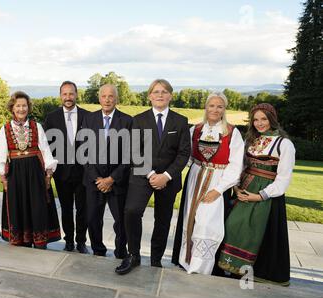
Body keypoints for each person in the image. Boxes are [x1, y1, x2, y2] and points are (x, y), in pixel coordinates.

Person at [115, 79, 191, 275]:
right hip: (142, 175)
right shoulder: (138, 120)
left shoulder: (180, 122)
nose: (159, 95)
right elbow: (133, 151)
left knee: (163, 218)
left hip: (168, 177)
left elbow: (183, 153)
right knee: (131, 211)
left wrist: (165, 175)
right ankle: (134, 255)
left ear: (170, 96)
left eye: (164, 91)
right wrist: (150, 174)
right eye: (155, 91)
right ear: (149, 96)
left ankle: (156, 260)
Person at [217, 103, 295, 286]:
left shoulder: (285, 144)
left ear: (272, 119)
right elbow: (240, 166)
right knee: (231, 226)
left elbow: (283, 179)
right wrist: (236, 187)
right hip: (243, 190)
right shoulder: (250, 140)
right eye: (256, 119)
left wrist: (259, 196)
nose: (260, 123)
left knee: (255, 233)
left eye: (264, 119)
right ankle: (230, 267)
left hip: (265, 197)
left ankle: (252, 272)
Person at [171, 92, 244, 275]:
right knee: (191, 218)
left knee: (207, 223)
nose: (215, 109)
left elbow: (236, 165)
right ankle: (186, 260)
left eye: (220, 106)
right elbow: (186, 157)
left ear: (224, 109)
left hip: (218, 181)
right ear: (206, 107)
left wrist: (218, 190)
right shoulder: (195, 130)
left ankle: (202, 266)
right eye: (211, 105)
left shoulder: (232, 132)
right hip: (195, 177)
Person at [0, 91, 61, 248]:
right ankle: (22, 240)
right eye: (18, 106)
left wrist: (48, 175)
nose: (21, 109)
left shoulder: (37, 127)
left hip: (36, 172)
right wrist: (3, 178)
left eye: (24, 105)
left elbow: (45, 150)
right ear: (12, 108)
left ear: (28, 108)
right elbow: (0, 154)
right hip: (15, 174)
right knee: (18, 206)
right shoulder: (5, 129)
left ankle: (39, 240)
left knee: (37, 206)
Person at [82, 84, 132, 258]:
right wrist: (98, 179)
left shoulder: (127, 121)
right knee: (93, 220)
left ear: (116, 99)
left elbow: (129, 155)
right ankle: (98, 250)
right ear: (99, 98)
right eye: (104, 96)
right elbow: (83, 151)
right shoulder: (89, 119)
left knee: (121, 222)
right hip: (93, 181)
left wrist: (111, 179)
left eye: (111, 96)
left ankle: (120, 252)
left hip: (117, 182)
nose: (107, 99)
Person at [43, 81, 90, 254]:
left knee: (83, 209)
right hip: (62, 173)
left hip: (84, 172)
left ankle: (81, 242)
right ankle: (69, 241)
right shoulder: (51, 117)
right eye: (65, 94)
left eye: (71, 94)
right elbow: (46, 145)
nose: (68, 97)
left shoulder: (88, 116)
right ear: (60, 95)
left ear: (76, 95)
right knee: (66, 208)